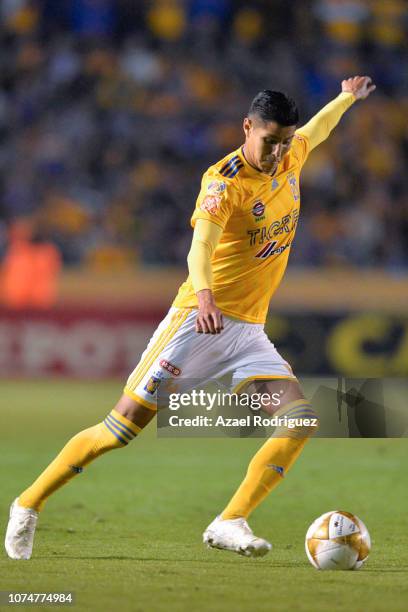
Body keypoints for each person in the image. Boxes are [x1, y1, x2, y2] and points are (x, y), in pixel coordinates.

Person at [5, 75, 376, 560]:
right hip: (197, 323)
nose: (278, 153)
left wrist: (346, 97)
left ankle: (230, 519)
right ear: (247, 128)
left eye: (285, 143)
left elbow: (319, 129)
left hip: (247, 331)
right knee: (117, 432)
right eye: (269, 142)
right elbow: (201, 245)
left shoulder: (291, 156)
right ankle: (27, 505)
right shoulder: (223, 183)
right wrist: (203, 295)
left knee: (299, 421)